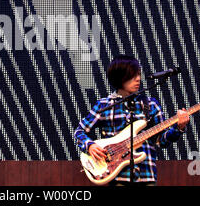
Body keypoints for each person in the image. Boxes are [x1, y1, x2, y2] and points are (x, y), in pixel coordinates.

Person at [74, 55, 189, 185]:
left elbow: (161, 141)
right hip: (117, 176)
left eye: (139, 74)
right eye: (132, 75)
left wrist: (179, 128)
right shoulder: (104, 105)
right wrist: (90, 146)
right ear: (119, 77)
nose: (138, 79)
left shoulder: (151, 104)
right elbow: (79, 131)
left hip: (146, 174)